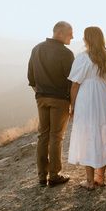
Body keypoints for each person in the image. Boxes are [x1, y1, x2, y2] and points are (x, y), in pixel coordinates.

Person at [68, 26, 106, 190]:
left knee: (88, 134)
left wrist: (73, 106)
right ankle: (101, 178)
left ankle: (90, 182)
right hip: (102, 99)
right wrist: (104, 92)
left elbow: (75, 85)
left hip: (86, 99)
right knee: (101, 133)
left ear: (86, 39)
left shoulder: (83, 58)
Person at [28, 21, 74, 187]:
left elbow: (31, 78)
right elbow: (72, 81)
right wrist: (71, 102)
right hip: (59, 100)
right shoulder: (66, 54)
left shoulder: (36, 49)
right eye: (70, 33)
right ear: (60, 33)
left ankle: (42, 176)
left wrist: (40, 94)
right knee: (56, 137)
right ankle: (54, 175)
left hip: (41, 98)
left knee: (43, 136)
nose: (72, 37)